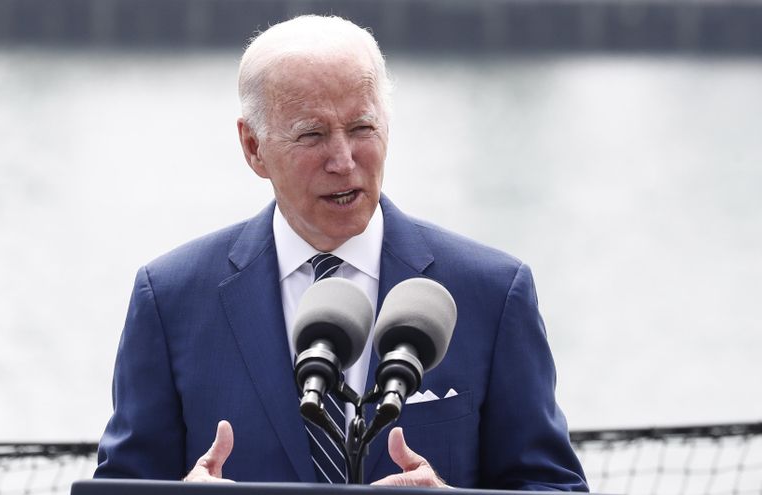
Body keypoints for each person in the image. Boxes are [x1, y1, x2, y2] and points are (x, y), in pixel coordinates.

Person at [94, 14, 588, 490]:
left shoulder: (493, 292)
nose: (343, 160)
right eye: (312, 134)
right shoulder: (170, 299)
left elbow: (553, 487)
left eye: (361, 129)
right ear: (253, 147)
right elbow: (119, 488)